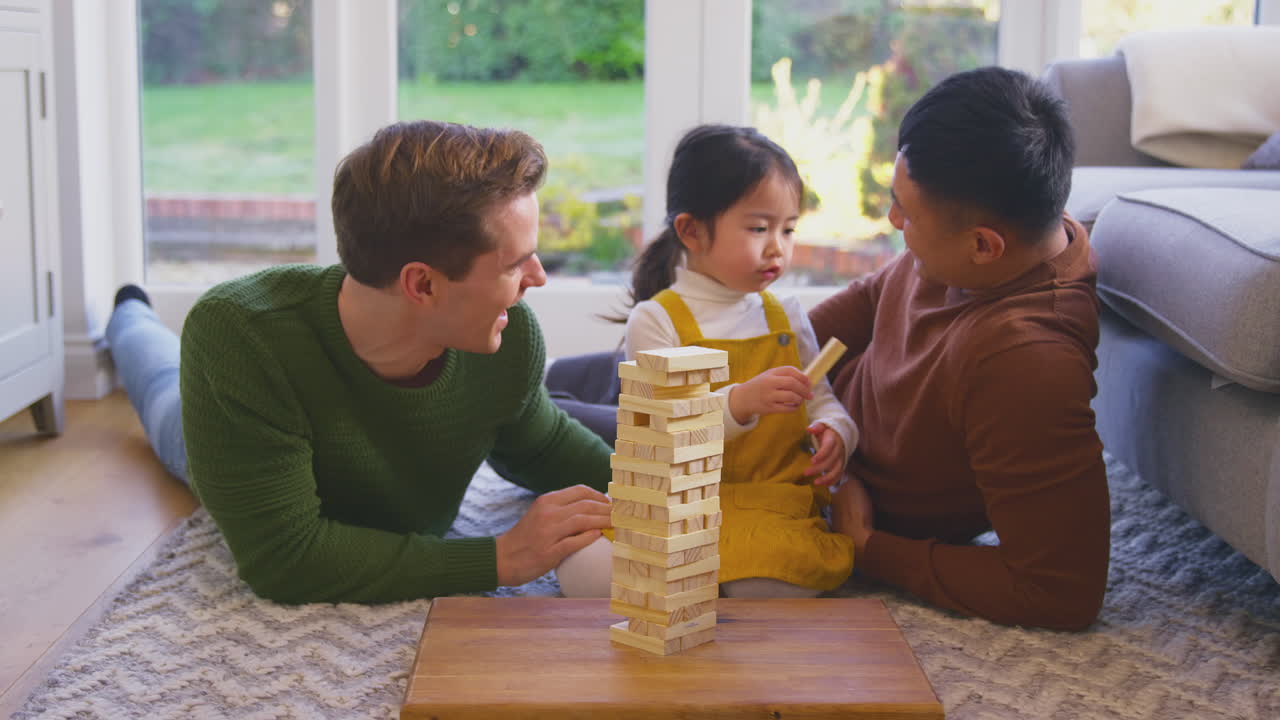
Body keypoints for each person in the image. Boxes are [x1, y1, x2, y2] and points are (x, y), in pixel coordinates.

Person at [105, 120, 613, 604]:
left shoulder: (508, 335)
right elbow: (285, 559)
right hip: (225, 437)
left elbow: (540, 443)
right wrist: (497, 559)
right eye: (515, 264)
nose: (539, 278)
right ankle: (127, 311)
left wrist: (671, 494)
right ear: (423, 284)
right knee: (157, 383)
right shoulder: (242, 337)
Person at [811, 66, 1109, 630]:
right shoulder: (993, 231)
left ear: (982, 246)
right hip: (805, 407)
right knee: (627, 376)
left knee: (614, 451)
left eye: (905, 212)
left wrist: (868, 547)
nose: (892, 220)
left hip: (813, 478)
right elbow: (867, 303)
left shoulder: (1025, 363)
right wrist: (753, 357)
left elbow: (1060, 591)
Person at [555, 125, 860, 599]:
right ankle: (698, 580)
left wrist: (838, 433)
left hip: (770, 504)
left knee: (779, 579)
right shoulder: (655, 320)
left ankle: (709, 581)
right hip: (677, 502)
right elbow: (664, 430)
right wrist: (740, 402)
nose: (778, 247)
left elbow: (823, 401)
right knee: (582, 567)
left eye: (788, 229)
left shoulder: (788, 316)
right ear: (692, 231)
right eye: (759, 229)